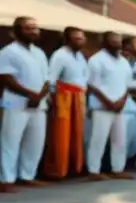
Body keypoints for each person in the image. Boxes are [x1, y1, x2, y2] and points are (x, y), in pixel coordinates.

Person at [0, 16, 51, 192]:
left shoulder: (40, 53)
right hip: (15, 103)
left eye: (35, 28)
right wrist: (30, 94)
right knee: (10, 141)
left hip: (38, 104)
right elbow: (6, 77)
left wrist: (40, 95)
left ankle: (27, 175)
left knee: (35, 141)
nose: (33, 31)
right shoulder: (8, 51)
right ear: (17, 31)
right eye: (28, 28)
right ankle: (6, 179)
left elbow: (47, 79)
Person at [85, 31, 134, 181]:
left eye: (119, 41)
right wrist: (108, 102)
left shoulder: (124, 62)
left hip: (120, 106)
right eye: (113, 41)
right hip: (102, 106)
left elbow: (127, 85)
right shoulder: (96, 60)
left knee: (119, 140)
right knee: (98, 139)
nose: (117, 44)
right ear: (105, 42)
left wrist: (122, 101)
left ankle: (117, 169)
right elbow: (91, 86)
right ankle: (94, 171)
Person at [43, 26, 88, 180]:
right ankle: (57, 169)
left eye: (82, 38)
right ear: (67, 39)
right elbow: (51, 78)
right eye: (76, 38)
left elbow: (83, 78)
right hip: (64, 98)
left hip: (79, 97)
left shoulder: (81, 56)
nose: (80, 41)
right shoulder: (60, 55)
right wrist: (51, 98)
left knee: (77, 134)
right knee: (61, 134)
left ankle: (74, 167)